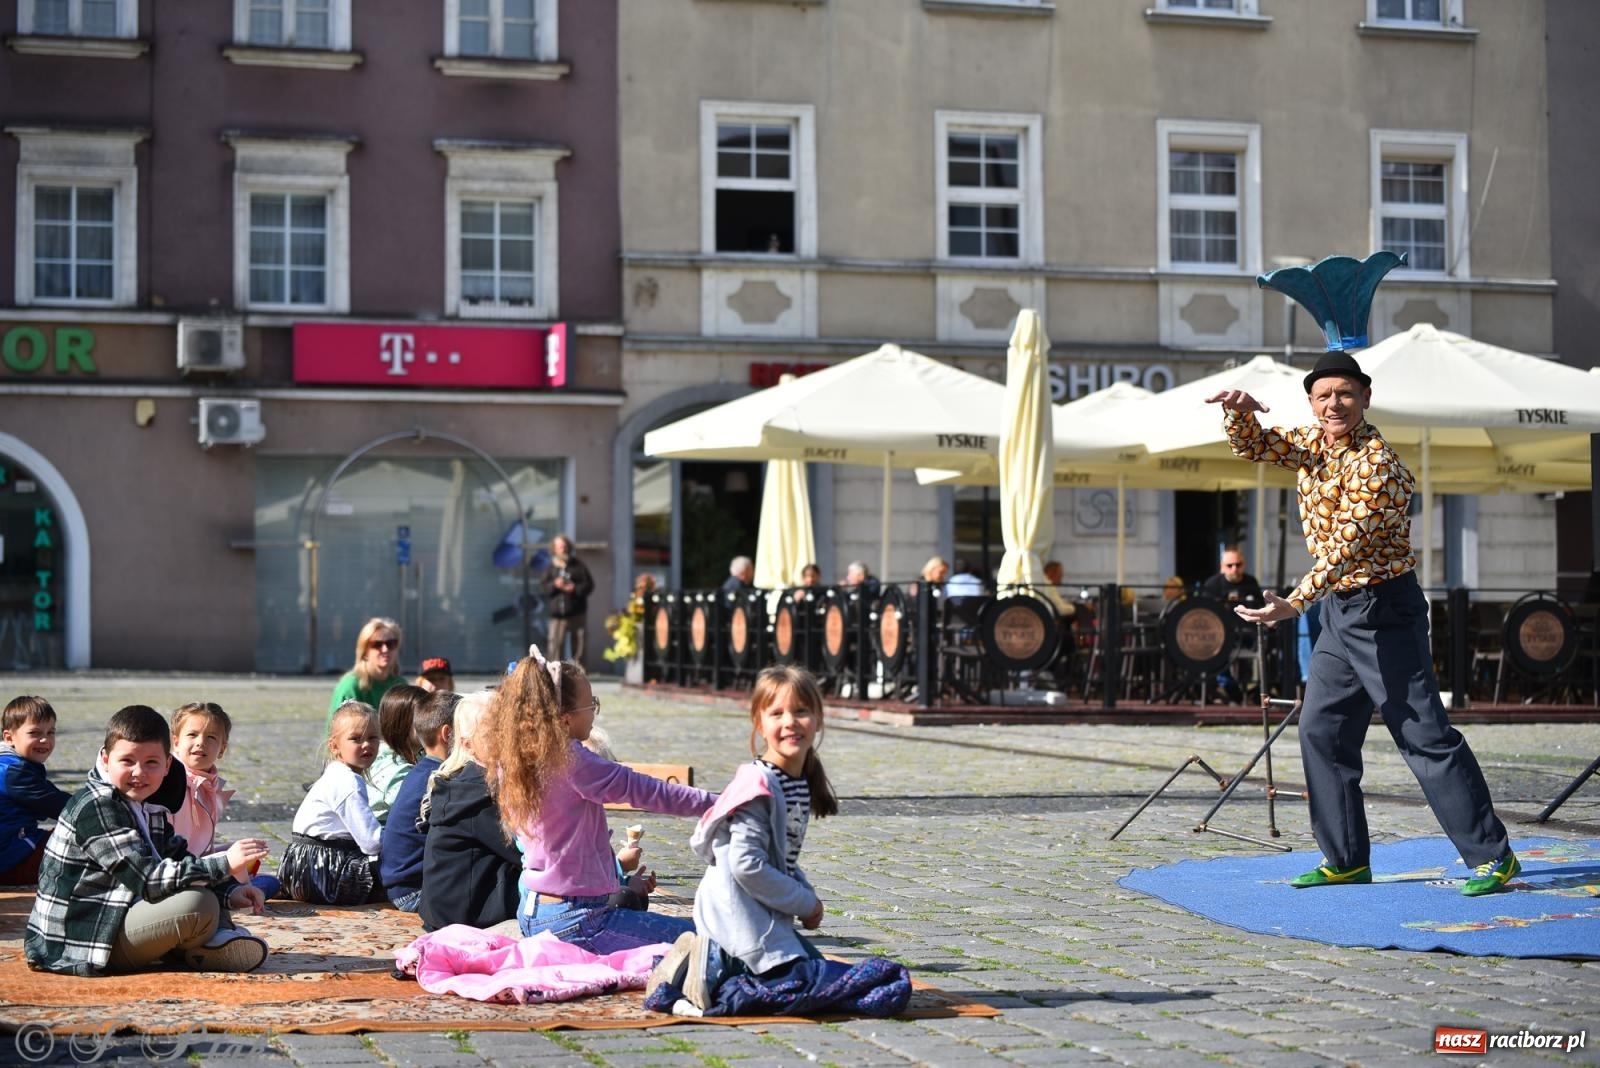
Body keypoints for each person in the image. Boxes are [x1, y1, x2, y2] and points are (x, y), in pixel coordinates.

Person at [1209, 349, 1519, 896]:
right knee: (1321, 729)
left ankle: (1493, 856)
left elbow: (1346, 549)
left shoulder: (1381, 465)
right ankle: (1346, 857)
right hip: (1341, 612)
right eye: (1324, 395)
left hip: (1384, 611)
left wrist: (1294, 603)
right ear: (1311, 403)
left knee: (1422, 734)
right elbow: (1254, 445)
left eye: (1345, 394)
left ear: (1365, 398)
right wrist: (1239, 412)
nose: (1335, 404)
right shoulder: (1312, 444)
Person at [645, 666, 910, 1019]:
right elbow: (747, 865)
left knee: (826, 975)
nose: (790, 722)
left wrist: (807, 898)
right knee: (852, 985)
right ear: (759, 723)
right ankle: (709, 978)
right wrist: (802, 901)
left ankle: (709, 971)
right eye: (777, 713)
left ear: (817, 719)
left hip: (757, 921)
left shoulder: (794, 781)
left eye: (801, 711)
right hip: (739, 921)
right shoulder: (760, 787)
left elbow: (781, 858)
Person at [485, 648, 717, 953]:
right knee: (710, 943)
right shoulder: (570, 760)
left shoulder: (514, 757)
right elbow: (648, 791)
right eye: (590, 704)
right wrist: (720, 803)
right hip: (576, 920)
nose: (594, 711)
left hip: (533, 912)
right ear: (565, 719)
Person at [25, 705, 271, 975]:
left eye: (151, 763)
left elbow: (178, 858)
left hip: (121, 913)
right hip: (82, 940)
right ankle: (207, 942)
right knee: (198, 904)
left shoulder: (147, 805)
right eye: (127, 761)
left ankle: (210, 943)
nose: (139, 772)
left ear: (167, 764)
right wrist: (224, 863)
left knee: (205, 892)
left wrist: (231, 891)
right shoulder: (98, 806)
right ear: (106, 761)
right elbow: (148, 881)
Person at [418, 691, 524, 931]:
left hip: (443, 911)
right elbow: (528, 854)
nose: (506, 739)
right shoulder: (479, 794)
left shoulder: (462, 779)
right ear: (468, 744)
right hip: (461, 919)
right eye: (493, 733)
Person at [167, 702, 280, 899]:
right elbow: (172, 853)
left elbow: (203, 848)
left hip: (202, 866)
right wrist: (231, 865)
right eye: (192, 735)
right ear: (176, 741)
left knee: (271, 881)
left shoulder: (209, 787)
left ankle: (235, 892)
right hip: (177, 872)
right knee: (258, 883)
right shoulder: (170, 783)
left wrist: (236, 851)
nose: (201, 742)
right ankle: (234, 893)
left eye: (211, 737)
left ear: (221, 749)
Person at [282, 700, 384, 905]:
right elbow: (372, 842)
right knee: (401, 870)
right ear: (335, 745)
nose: (366, 745)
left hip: (299, 866)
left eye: (372, 738)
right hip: (324, 872)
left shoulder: (335, 772)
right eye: (356, 739)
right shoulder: (348, 781)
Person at [380, 689, 458, 915]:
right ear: (448, 734)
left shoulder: (420, 770)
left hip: (398, 885)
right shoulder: (439, 779)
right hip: (415, 891)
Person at [1, 695, 69, 884]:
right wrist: (103, 808)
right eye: (35, 733)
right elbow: (62, 806)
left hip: (13, 849)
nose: (44, 740)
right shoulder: (15, 773)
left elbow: (50, 797)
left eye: (50, 732)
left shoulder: (11, 765)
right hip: (12, 858)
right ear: (9, 738)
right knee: (80, 844)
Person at [1198, 547, 1265, 703]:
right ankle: (1230, 689)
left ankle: (1245, 689)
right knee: (1217, 652)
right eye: (1230, 565)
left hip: (1247, 631)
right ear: (1222, 567)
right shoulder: (1212, 584)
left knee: (1258, 649)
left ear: (1244, 564)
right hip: (1219, 633)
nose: (1234, 569)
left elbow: (1261, 607)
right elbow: (1203, 612)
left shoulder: (1250, 582)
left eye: (1238, 564)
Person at [328, 618, 405, 731]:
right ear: (364, 651)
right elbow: (339, 735)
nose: (385, 649)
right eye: (377, 644)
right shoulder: (351, 687)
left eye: (391, 644)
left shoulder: (400, 685)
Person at [368, 684, 430, 824]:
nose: (430, 722)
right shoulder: (397, 769)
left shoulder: (382, 750)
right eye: (423, 716)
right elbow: (422, 808)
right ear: (400, 723)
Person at [542, 534, 595, 664]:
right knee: (554, 645)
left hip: (576, 612)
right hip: (557, 615)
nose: (562, 550)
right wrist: (555, 584)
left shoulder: (578, 566)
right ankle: (554, 672)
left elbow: (589, 585)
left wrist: (574, 589)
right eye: (559, 547)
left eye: (564, 547)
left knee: (579, 645)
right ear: (554, 549)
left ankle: (579, 672)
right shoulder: (551, 568)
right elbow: (544, 588)